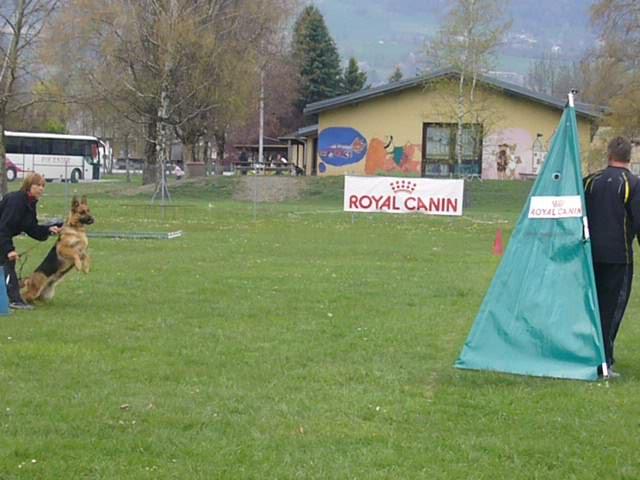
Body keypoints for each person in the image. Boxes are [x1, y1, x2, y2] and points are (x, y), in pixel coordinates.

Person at [584, 137, 640, 377]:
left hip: (587, 255)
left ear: (608, 155)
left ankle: (584, 354)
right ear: (630, 157)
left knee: (590, 306)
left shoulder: (590, 181)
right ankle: (604, 362)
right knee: (611, 309)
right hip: (619, 257)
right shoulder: (633, 183)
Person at [0, 173, 61, 310]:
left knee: (5, 264)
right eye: (37, 185)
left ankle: (12, 298)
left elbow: (31, 228)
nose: (41, 189)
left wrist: (48, 230)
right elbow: (3, 228)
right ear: (28, 186)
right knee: (7, 262)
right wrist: (9, 250)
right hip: (2, 235)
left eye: (43, 186)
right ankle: (14, 300)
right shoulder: (17, 201)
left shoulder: (30, 203)